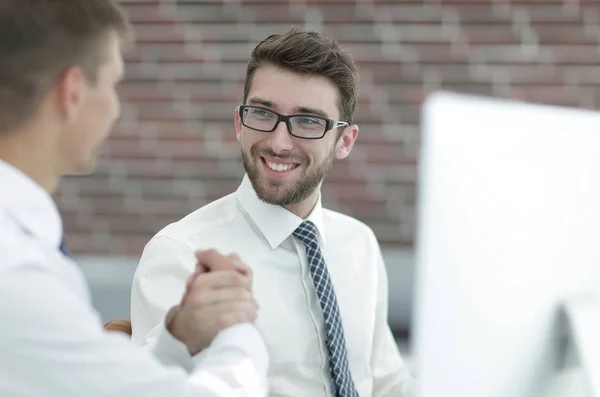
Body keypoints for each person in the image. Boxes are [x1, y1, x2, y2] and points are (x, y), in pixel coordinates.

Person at [0, 1, 269, 396]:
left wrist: (179, 337)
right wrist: (239, 332)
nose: (115, 108)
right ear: (72, 92)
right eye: (112, 85)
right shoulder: (15, 274)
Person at [131, 28, 414, 397]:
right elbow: (146, 387)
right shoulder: (181, 253)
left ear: (344, 141)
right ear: (239, 123)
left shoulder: (359, 242)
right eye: (263, 113)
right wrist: (182, 335)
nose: (279, 142)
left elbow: (386, 381)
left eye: (309, 121)